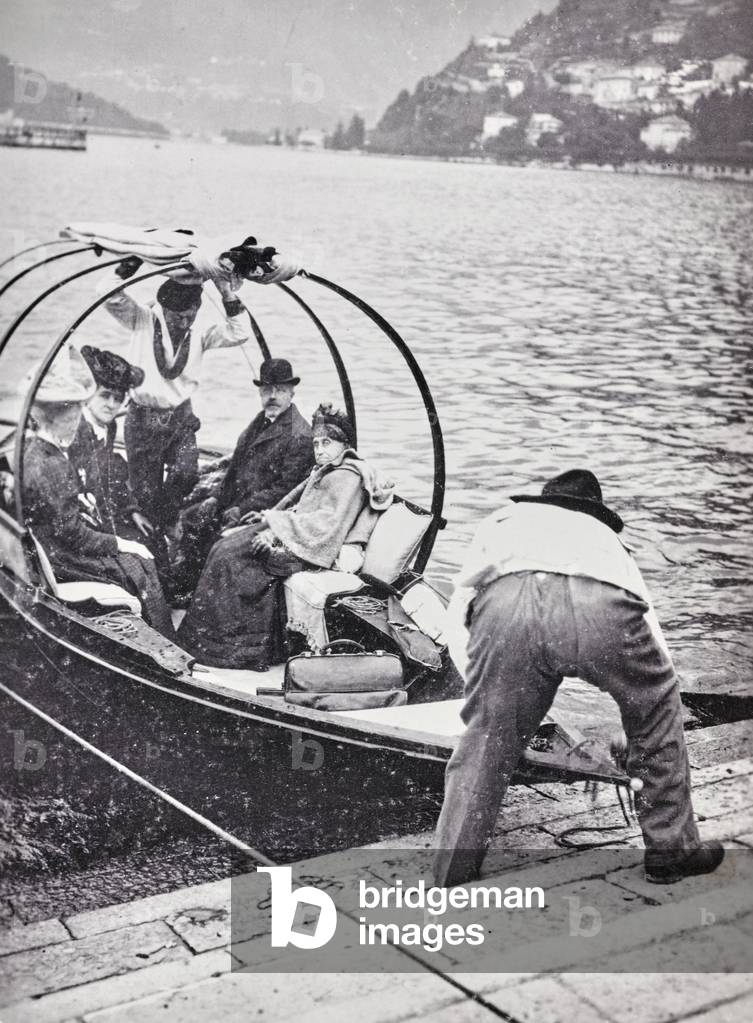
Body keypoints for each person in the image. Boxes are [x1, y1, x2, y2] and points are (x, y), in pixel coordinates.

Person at [434, 469, 724, 888]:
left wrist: (484, 700)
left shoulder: (503, 521)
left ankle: (452, 870)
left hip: (506, 604)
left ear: (543, 501)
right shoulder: (608, 542)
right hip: (598, 603)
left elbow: (460, 612)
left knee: (485, 737)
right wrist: (647, 713)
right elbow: (652, 638)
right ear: (594, 511)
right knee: (657, 707)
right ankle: (670, 850)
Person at [177, 404, 393, 670]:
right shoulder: (327, 470)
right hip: (294, 536)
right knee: (223, 545)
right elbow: (300, 508)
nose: (320, 449)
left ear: (344, 445)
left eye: (327, 442)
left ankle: (236, 649)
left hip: (309, 549)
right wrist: (270, 521)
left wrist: (275, 526)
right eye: (316, 443)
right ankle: (209, 640)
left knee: (229, 556)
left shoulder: (346, 477)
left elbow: (326, 525)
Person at [96, 258, 251, 555]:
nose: (183, 323)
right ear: (163, 309)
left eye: (189, 316)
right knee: (144, 492)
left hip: (180, 417)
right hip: (143, 418)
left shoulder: (201, 332)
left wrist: (226, 293)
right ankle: (155, 551)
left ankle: (167, 520)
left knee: (186, 473)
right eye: (177, 317)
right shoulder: (141, 318)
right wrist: (136, 261)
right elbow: (109, 292)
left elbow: (239, 332)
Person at [21, 346, 174, 638]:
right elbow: (71, 531)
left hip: (60, 545)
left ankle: (160, 637)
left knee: (140, 557)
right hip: (62, 556)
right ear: (57, 415)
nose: (78, 417)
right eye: (74, 410)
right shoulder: (52, 464)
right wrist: (119, 544)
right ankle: (162, 644)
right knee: (136, 564)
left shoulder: (40, 453)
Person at [173, 358, 314, 596]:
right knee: (191, 518)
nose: (273, 396)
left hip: (262, 512)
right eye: (267, 390)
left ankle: (197, 593)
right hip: (235, 502)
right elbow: (234, 469)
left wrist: (241, 508)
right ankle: (184, 585)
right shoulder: (259, 422)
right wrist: (216, 499)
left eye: (280, 390)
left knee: (217, 541)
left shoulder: (299, 435)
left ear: (291, 393)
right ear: (260, 392)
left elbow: (284, 490)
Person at [68, 345, 153, 542]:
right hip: (82, 520)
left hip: (104, 510)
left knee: (151, 537)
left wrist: (131, 510)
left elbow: (108, 472)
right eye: (105, 395)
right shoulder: (75, 429)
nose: (112, 405)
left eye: (118, 399)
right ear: (89, 393)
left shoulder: (109, 426)